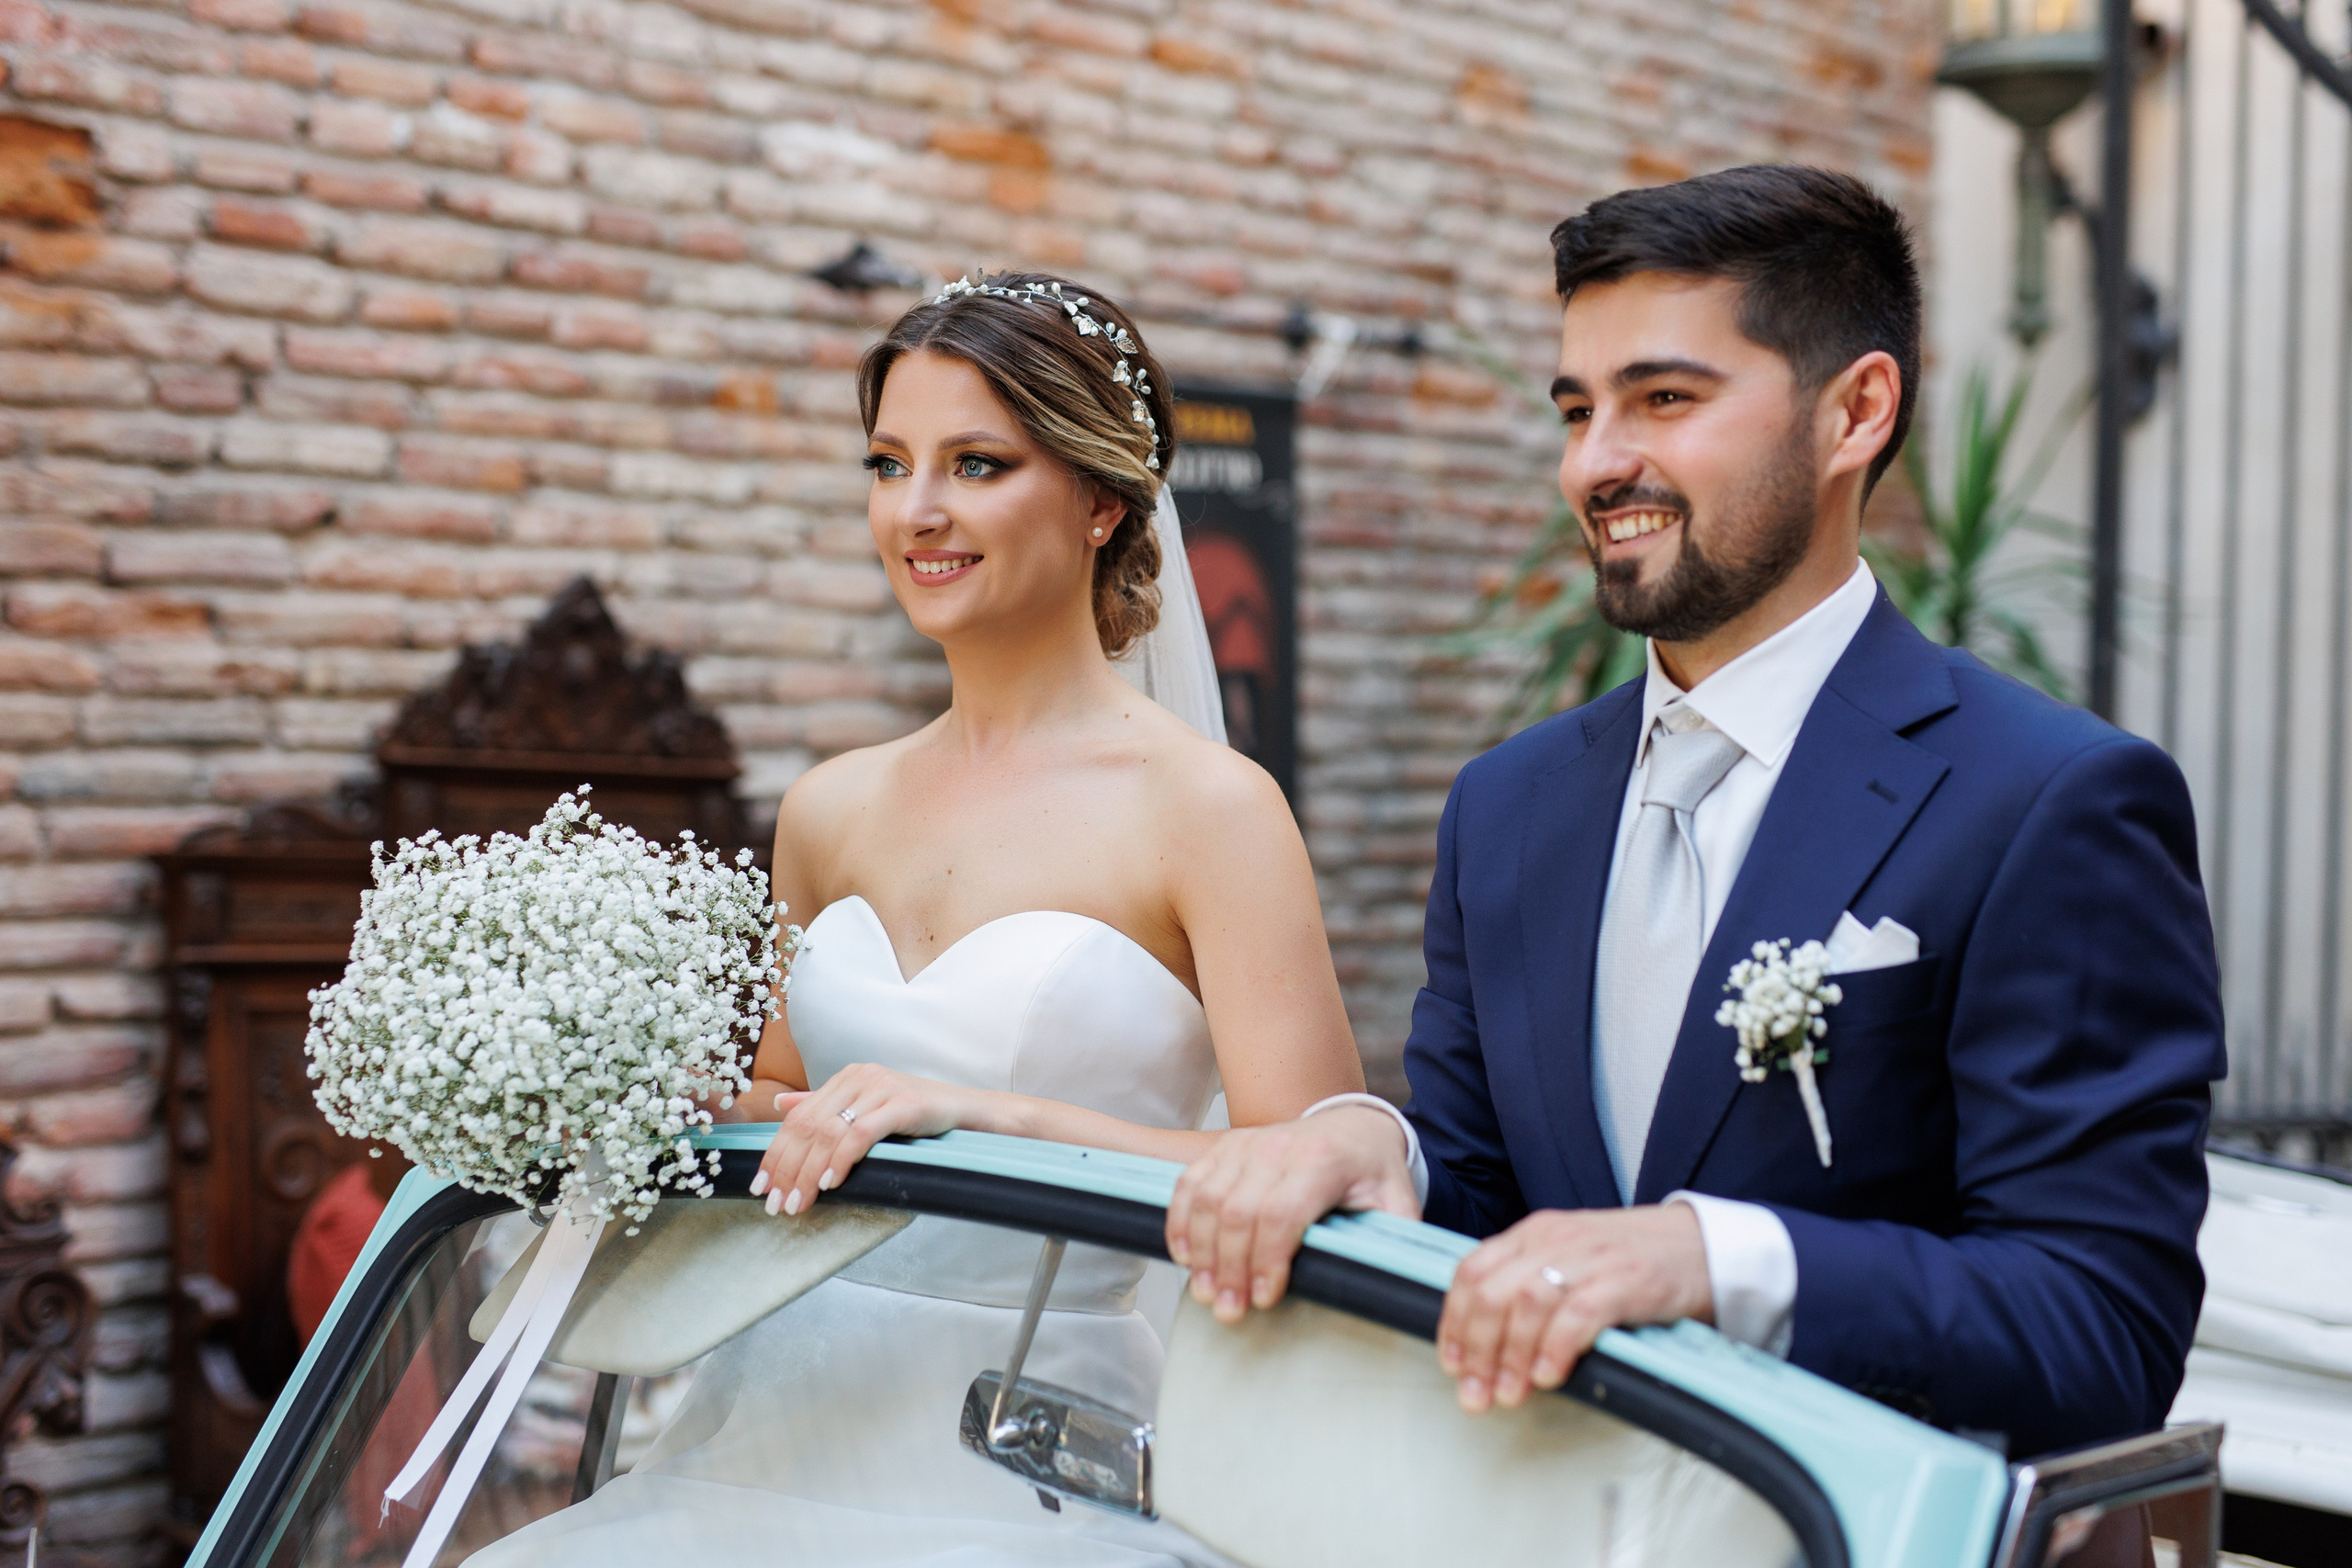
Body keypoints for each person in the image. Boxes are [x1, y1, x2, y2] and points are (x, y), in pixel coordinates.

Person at [1165, 165, 2228, 1461]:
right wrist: (1363, 1143)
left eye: (1664, 398)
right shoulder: (1505, 808)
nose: (1597, 464)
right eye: (1577, 409)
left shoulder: (2051, 799)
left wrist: (1712, 1260)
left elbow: (2102, 1331)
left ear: (1856, 413)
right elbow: (1482, 1193)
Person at [466, 271, 1366, 1566]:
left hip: (1025, 1445)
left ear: (1103, 498)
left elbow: (1309, 1177)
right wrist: (623, 1096)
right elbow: (784, 1106)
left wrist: (992, 1118)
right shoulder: (829, 807)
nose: (918, 511)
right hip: (761, 1419)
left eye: (977, 464)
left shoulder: (1212, 812)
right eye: (889, 464)